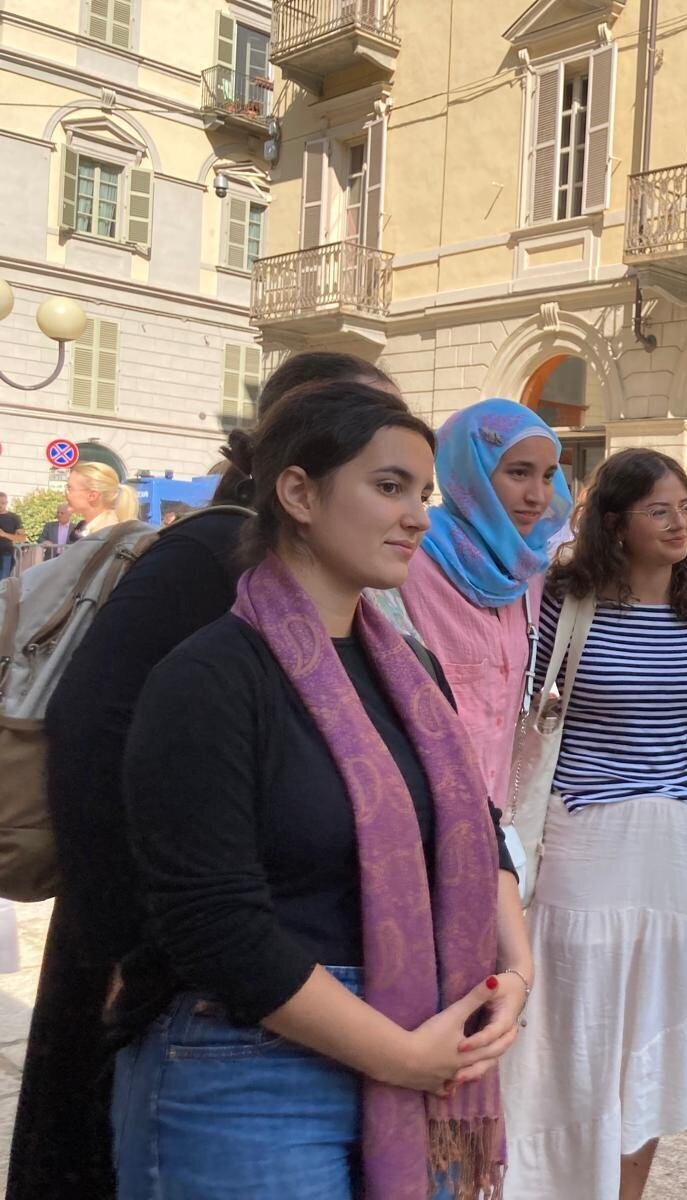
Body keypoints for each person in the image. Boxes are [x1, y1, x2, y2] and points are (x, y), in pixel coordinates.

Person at [112, 380, 530, 1199]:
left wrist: (512, 971)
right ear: (298, 492)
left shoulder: (411, 670)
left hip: (426, 1038)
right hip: (251, 1069)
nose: (418, 516)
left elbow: (476, 825)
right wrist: (398, 1054)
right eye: (388, 487)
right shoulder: (212, 679)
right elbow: (214, 924)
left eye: (424, 494)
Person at [6, 352, 405, 1200]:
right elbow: (91, 739)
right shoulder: (211, 554)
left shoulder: (356, 606)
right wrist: (130, 946)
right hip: (158, 948)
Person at [500, 448, 687, 1200]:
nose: (680, 523)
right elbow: (523, 705)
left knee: (652, 1038)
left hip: (681, 842)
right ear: (615, 523)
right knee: (575, 1029)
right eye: (660, 510)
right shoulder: (564, 597)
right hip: (588, 836)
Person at [385, 398, 572, 822]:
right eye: (518, 472)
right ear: (470, 472)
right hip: (418, 819)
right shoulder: (406, 563)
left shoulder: (529, 575)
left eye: (547, 476)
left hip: (495, 817)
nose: (537, 496)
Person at [65, 461, 138, 535]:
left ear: (92, 496)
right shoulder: (101, 530)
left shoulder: (106, 535)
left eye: (70, 488)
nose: (65, 493)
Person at [0, 492, 24, 581]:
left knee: (3, 583)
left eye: (3, 503)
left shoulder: (14, 517)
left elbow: (22, 538)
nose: (0, 505)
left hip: (5, 554)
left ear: (6, 503)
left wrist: (4, 534)